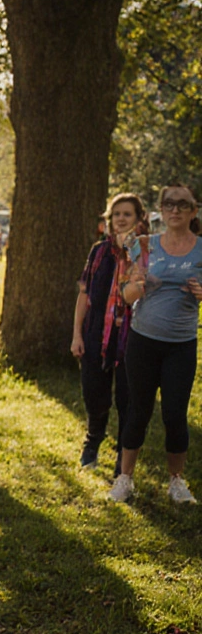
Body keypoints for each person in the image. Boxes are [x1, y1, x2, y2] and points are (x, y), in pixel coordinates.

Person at [110, 185, 202, 504]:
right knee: (139, 410)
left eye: (182, 205)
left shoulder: (201, 249)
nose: (175, 210)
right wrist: (140, 283)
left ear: (194, 210)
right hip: (143, 341)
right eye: (169, 204)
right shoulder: (145, 246)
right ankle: (125, 479)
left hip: (181, 344)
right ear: (161, 211)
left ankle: (176, 482)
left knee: (175, 413)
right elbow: (126, 295)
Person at [71, 193, 147, 471]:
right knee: (94, 394)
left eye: (127, 214)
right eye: (116, 214)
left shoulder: (147, 252)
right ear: (109, 219)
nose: (121, 219)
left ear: (139, 219)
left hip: (133, 340)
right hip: (96, 336)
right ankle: (93, 441)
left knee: (128, 400)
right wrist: (77, 335)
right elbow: (84, 295)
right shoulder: (98, 252)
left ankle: (122, 455)